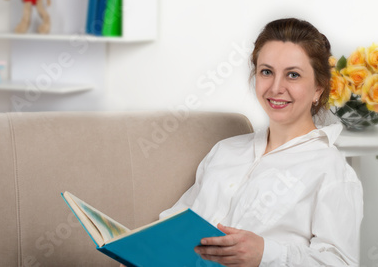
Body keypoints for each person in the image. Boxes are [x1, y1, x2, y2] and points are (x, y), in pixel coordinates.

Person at [122, 17, 363, 267]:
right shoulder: (226, 150)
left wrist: (265, 254)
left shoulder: (330, 168)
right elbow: (177, 221)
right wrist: (138, 249)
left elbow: (341, 263)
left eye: (293, 75)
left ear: (318, 89)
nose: (276, 87)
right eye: (266, 72)